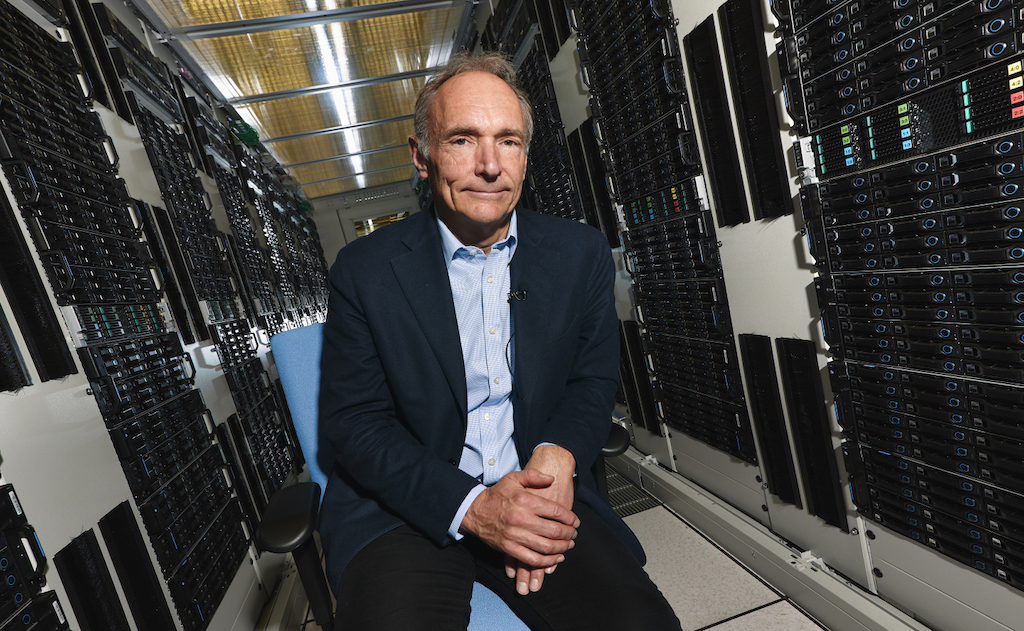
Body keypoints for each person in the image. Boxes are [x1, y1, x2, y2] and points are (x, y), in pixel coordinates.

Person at [318, 51, 681, 630]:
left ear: (526, 156)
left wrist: (558, 457)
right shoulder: (365, 270)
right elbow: (355, 423)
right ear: (422, 155)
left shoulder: (578, 253)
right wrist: (476, 507)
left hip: (536, 491)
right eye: (463, 139)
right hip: (410, 508)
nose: (490, 165)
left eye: (508, 141)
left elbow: (592, 382)